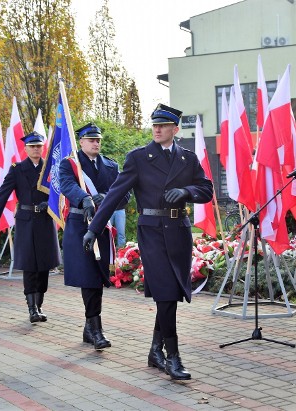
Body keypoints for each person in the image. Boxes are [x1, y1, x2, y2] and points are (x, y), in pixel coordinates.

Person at [83, 104, 213, 380]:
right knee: (166, 291)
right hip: (152, 231)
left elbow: (206, 190)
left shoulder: (187, 159)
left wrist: (186, 191)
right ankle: (172, 357)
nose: (157, 129)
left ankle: (155, 350)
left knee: (171, 295)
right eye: (154, 124)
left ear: (175, 130)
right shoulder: (139, 158)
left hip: (179, 231)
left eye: (163, 125)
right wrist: (94, 229)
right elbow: (114, 195)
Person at [59, 123, 129, 350]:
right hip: (80, 225)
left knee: (97, 278)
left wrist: (106, 198)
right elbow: (67, 186)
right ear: (80, 142)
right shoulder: (70, 164)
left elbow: (125, 194)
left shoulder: (111, 165)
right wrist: (85, 198)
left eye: (98, 139)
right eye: (91, 140)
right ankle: (96, 330)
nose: (96, 143)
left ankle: (89, 328)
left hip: (103, 226)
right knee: (88, 277)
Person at [0, 131, 61, 323]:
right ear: (26, 148)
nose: (36, 149)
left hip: (45, 220)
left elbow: (61, 193)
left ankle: (40, 304)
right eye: (32, 146)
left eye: (39, 146)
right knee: (29, 265)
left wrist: (51, 205)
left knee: (44, 265)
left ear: (43, 147)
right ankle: (32, 308)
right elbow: (2, 196)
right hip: (26, 221)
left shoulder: (51, 168)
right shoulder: (17, 169)